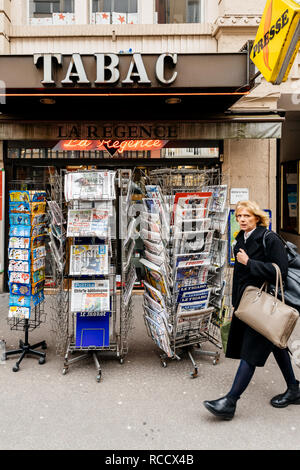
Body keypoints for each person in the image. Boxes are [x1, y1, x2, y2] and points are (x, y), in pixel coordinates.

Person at [203, 200, 300, 420]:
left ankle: (230, 401)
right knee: (277, 345)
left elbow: (280, 271)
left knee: (250, 353)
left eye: (247, 216)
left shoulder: (269, 238)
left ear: (257, 217)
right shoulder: (241, 238)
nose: (242, 220)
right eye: (239, 216)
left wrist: (249, 262)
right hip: (248, 303)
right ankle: (294, 388)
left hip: (264, 305)